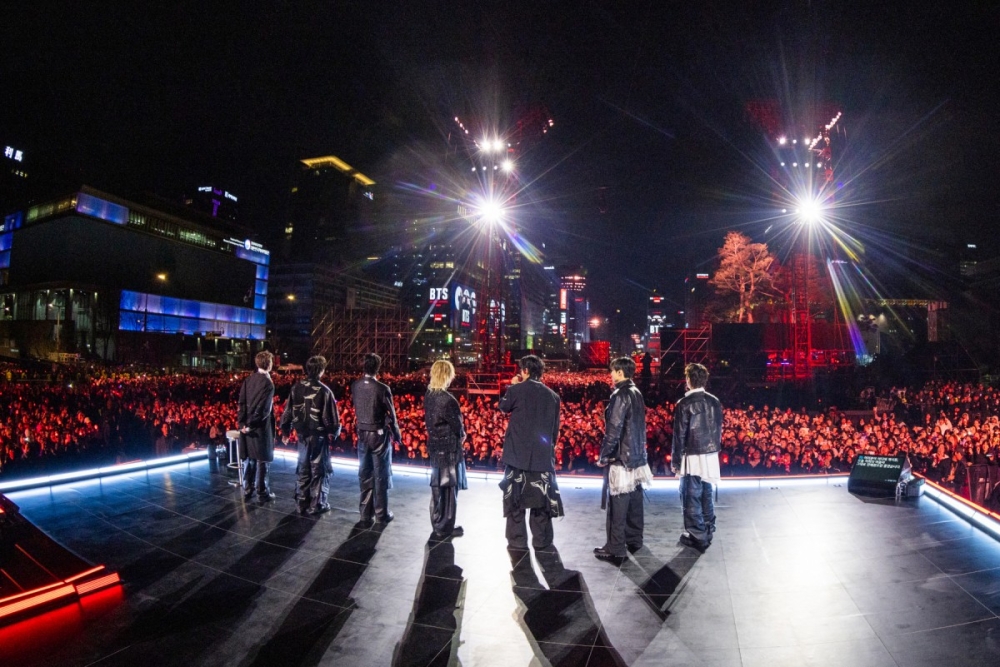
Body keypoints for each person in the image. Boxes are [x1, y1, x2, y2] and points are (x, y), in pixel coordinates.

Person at [497, 355, 563, 551]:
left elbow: (502, 407)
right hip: (542, 458)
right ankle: (542, 541)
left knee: (516, 503)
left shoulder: (516, 390)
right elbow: (555, 431)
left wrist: (513, 385)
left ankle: (517, 541)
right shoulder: (553, 396)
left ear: (525, 370)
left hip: (517, 457)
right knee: (541, 504)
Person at [594, 356, 653, 564]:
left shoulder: (620, 394)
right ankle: (634, 539)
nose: (610, 375)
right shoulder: (637, 392)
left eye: (612, 371)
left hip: (622, 458)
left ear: (620, 372)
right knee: (635, 501)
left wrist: (604, 456)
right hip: (637, 455)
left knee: (617, 503)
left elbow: (614, 430)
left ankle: (615, 547)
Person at [671, 362, 723, 552]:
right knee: (706, 494)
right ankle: (707, 529)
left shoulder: (683, 404)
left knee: (691, 496)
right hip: (710, 455)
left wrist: (676, 462)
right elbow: (718, 430)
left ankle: (698, 536)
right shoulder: (714, 401)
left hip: (691, 456)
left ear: (688, 380)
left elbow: (679, 435)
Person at [280, 355, 341, 516]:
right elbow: (332, 421)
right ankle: (317, 504)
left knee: (303, 468)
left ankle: (301, 502)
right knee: (319, 470)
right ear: (321, 370)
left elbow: (287, 413)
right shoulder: (325, 391)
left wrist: (285, 431)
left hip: (302, 436)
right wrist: (334, 433)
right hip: (318, 437)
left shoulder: (296, 388)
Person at [351, 353, 402, 524]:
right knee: (381, 474)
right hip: (378, 435)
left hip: (362, 433)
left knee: (365, 472)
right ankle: (381, 513)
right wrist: (397, 434)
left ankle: (365, 513)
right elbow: (392, 415)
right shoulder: (382, 388)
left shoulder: (355, 386)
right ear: (378, 368)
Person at [424, 360, 467, 538]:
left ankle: (437, 523)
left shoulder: (429, 395)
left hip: (435, 446)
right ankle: (445, 527)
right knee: (449, 489)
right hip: (449, 449)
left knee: (437, 487)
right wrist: (462, 435)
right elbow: (458, 427)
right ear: (447, 375)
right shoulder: (448, 400)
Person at [238, 350, 276, 502]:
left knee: (250, 459)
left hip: (247, 427)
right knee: (262, 459)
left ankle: (248, 489)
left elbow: (241, 403)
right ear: (269, 364)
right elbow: (264, 410)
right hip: (260, 428)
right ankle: (262, 492)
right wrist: (252, 425)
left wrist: (243, 424)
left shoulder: (248, 379)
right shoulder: (268, 383)